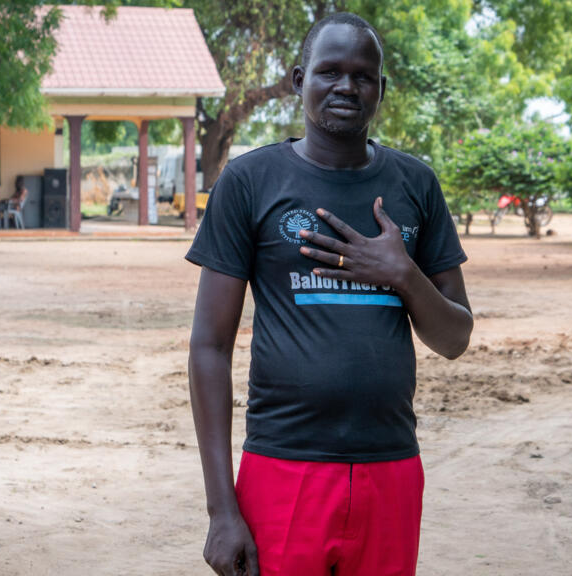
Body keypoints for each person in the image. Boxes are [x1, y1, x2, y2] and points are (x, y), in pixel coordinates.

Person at [186, 12, 473, 576]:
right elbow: (208, 348)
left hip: (390, 466)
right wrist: (222, 510)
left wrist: (402, 274)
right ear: (299, 80)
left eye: (364, 75)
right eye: (330, 72)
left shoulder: (415, 184)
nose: (347, 86)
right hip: (282, 467)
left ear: (381, 90)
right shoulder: (249, 182)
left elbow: (455, 338)